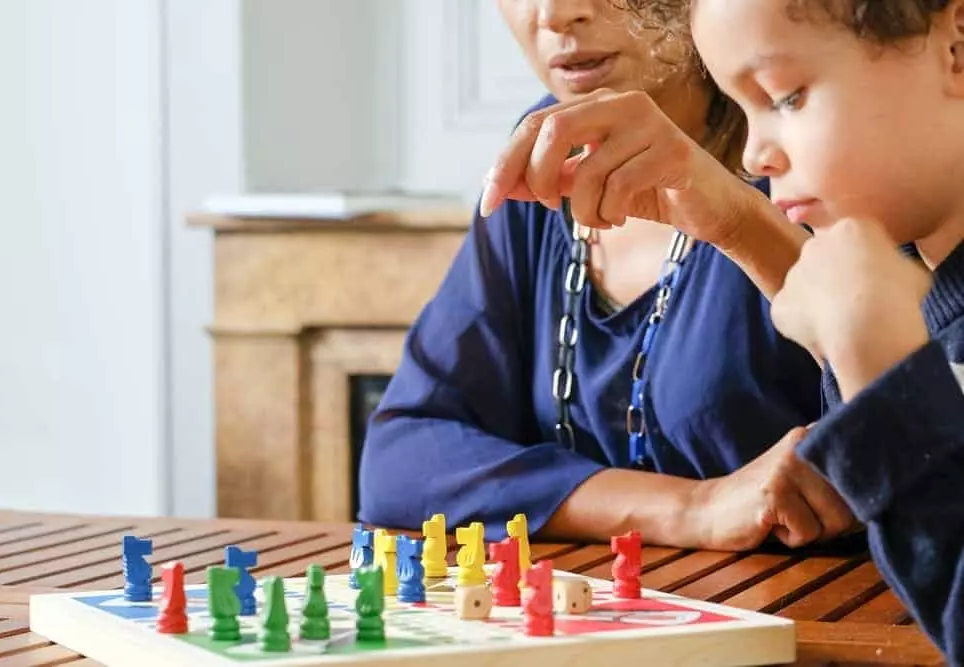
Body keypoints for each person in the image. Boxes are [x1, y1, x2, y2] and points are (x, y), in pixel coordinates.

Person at [547, 0, 964, 660]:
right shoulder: (905, 284)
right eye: (741, 111)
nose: (754, 153)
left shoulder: (885, 321)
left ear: (956, 45)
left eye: (786, 96)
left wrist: (884, 372)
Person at [357, 0, 853, 550]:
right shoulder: (548, 154)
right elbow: (402, 458)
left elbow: (919, 433)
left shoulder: (822, 155)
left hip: (823, 622)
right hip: (599, 621)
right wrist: (690, 508)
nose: (553, 14)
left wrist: (745, 228)